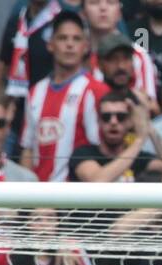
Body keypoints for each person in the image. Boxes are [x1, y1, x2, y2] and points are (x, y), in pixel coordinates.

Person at [19, 10, 106, 183]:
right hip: (39, 200)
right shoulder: (35, 92)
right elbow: (28, 149)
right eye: (62, 38)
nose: (69, 45)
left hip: (77, 199)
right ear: (50, 44)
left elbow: (102, 151)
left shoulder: (96, 90)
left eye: (76, 39)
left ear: (86, 46)